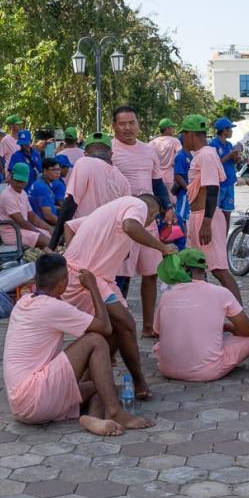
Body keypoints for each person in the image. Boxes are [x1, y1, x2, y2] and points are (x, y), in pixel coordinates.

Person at [3, 253, 153, 434]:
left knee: (105, 388)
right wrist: (93, 287)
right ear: (63, 281)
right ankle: (115, 412)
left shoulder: (24, 302)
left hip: (21, 405)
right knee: (96, 341)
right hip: (36, 396)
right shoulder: (52, 307)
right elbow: (105, 327)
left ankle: (94, 419)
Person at [62, 195, 176, 400]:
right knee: (126, 324)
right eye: (154, 219)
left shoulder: (111, 207)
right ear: (153, 213)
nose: (151, 223)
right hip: (88, 277)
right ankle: (138, 380)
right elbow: (131, 226)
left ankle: (90, 379)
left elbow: (70, 226)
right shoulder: (138, 206)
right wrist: (163, 247)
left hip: (98, 278)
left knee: (117, 329)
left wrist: (75, 256)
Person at [111, 106, 176, 338]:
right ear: (114, 127)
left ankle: (148, 327)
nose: (128, 128)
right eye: (122, 124)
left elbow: (157, 182)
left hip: (149, 220)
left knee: (151, 273)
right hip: (124, 223)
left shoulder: (149, 151)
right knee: (121, 277)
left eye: (132, 123)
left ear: (139, 124)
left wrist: (167, 207)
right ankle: (118, 329)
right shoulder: (110, 151)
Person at [153, 248, 249, 382]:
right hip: (207, 371)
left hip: (167, 368)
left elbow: (157, 331)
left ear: (181, 268)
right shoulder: (221, 293)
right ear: (203, 269)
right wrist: (228, 327)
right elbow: (247, 331)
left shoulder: (167, 294)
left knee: (159, 346)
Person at [181, 114, 242, 302]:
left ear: (190, 134)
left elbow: (213, 188)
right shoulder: (203, 154)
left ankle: (240, 317)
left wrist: (206, 222)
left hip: (205, 218)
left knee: (219, 270)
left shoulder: (206, 155)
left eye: (184, 135)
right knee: (194, 266)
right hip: (197, 216)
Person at [48, 132, 131, 249]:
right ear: (111, 154)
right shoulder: (123, 181)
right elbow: (124, 220)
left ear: (85, 153)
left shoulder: (84, 163)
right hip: (109, 243)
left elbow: (70, 204)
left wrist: (53, 244)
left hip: (84, 239)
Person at [0, 164, 51, 250]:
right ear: (11, 177)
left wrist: (49, 229)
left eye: (22, 182)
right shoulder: (7, 195)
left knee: (49, 235)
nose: (19, 184)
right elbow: (21, 222)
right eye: (17, 181)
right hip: (12, 233)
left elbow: (32, 217)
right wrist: (40, 234)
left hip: (21, 230)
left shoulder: (23, 193)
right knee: (45, 240)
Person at [210, 118, 239, 228]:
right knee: (215, 213)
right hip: (218, 184)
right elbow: (214, 165)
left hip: (230, 182)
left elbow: (231, 162)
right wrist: (229, 156)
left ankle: (224, 240)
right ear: (224, 130)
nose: (232, 131)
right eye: (230, 129)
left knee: (227, 213)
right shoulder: (213, 145)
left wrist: (236, 158)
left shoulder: (229, 144)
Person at [149, 118, 182, 204]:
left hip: (156, 176)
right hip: (170, 176)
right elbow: (180, 156)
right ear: (167, 129)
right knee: (173, 202)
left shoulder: (153, 143)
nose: (173, 129)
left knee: (159, 201)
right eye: (172, 127)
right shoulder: (175, 141)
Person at [29, 158, 62, 225]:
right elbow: (48, 217)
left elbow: (47, 205)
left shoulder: (43, 183)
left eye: (58, 169)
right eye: (53, 170)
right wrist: (62, 226)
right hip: (43, 225)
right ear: (45, 171)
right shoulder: (41, 187)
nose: (57, 172)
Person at [0, 114, 24, 179]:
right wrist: (2, 170)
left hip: (22, 171)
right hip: (11, 173)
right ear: (11, 126)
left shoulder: (22, 138)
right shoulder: (5, 140)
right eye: (17, 124)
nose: (19, 126)